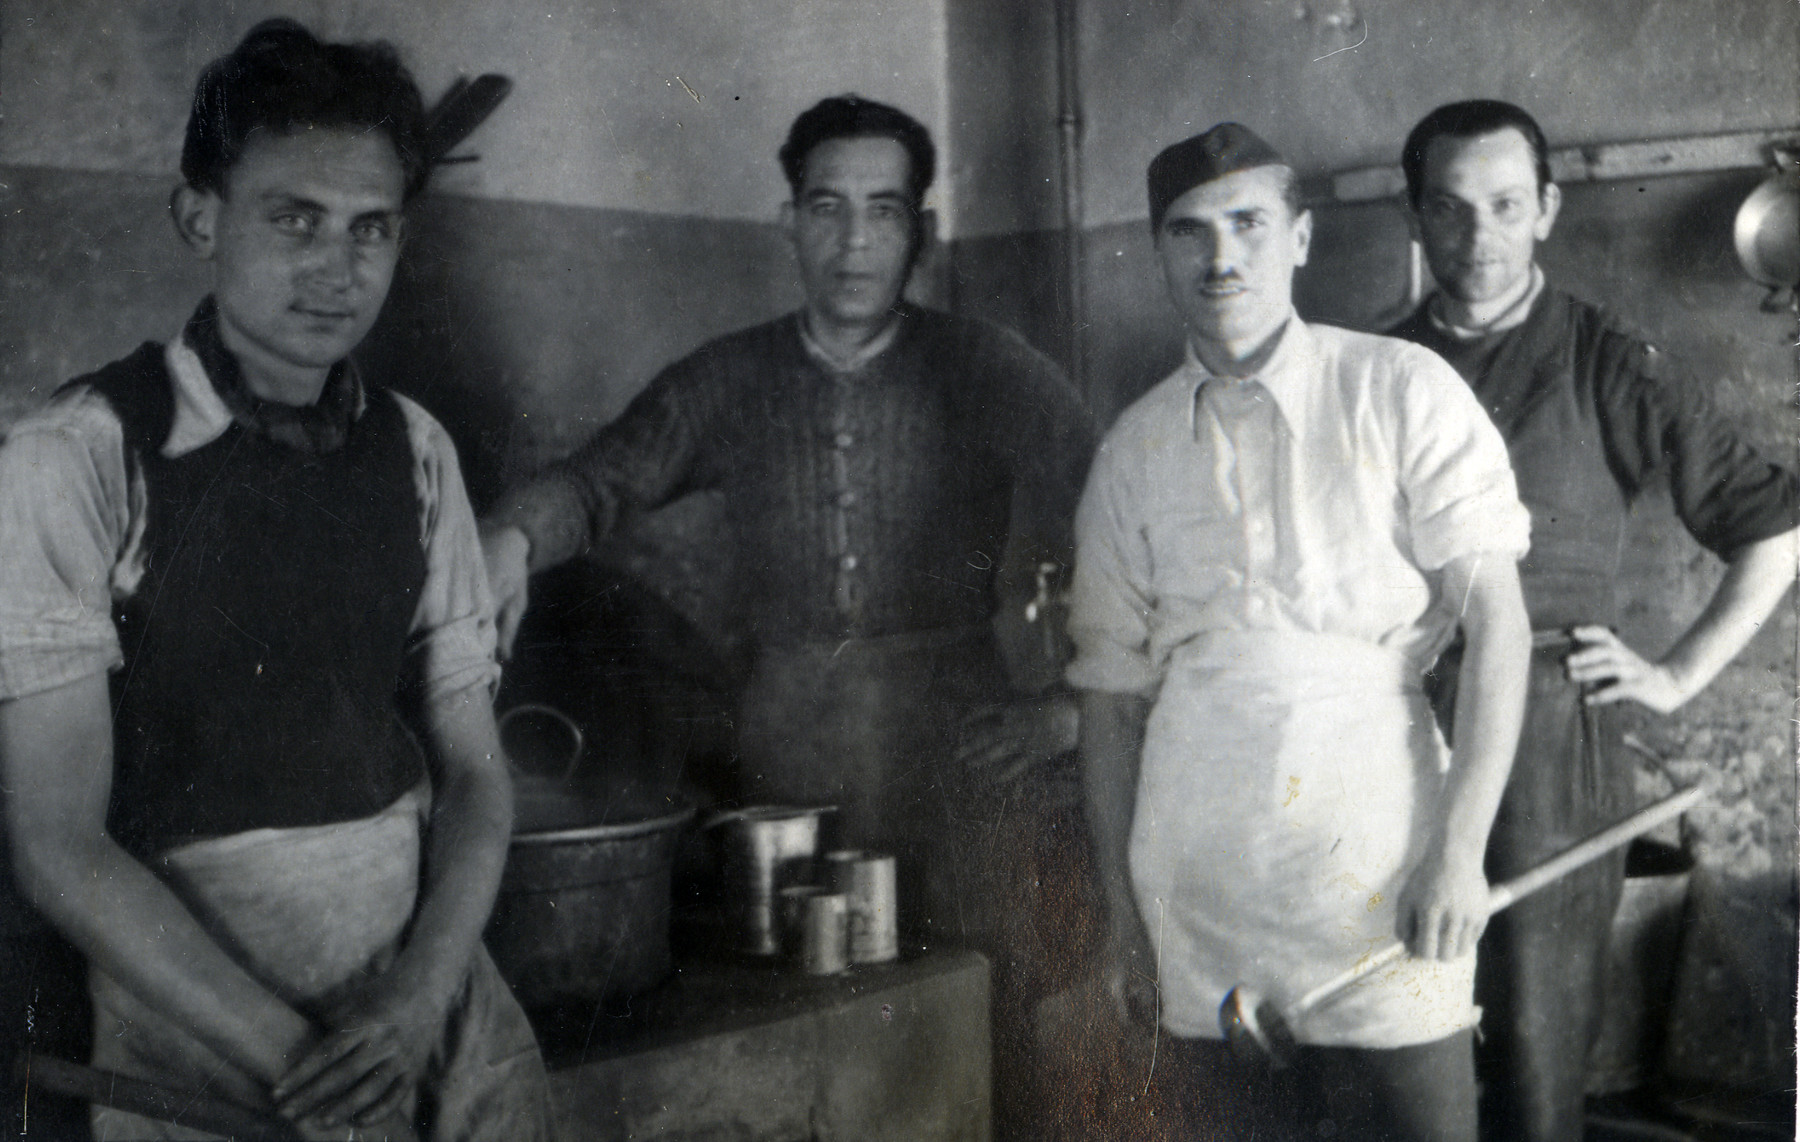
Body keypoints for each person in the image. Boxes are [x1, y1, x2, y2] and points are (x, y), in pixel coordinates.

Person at [480, 95, 1096, 1137]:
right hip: (787, 762)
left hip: (962, 755)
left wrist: (1072, 707)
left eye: (884, 210)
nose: (854, 241)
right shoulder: (727, 377)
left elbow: (1119, 505)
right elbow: (597, 485)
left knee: (975, 1019)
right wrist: (503, 540)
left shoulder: (991, 367)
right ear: (789, 223)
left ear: (924, 232)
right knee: (801, 1037)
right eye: (826, 207)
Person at [0, 21, 551, 1140]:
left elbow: (477, 779)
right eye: (293, 218)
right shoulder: (80, 453)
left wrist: (416, 1006)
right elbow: (57, 843)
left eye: (371, 228)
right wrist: (309, 1068)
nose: (336, 269)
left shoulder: (418, 450)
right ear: (198, 215)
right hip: (203, 1028)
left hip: (426, 1002)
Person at [1069, 122, 1534, 1141]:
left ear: (1302, 237)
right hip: (1198, 890)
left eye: (1248, 223)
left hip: (1379, 870)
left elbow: (1501, 627)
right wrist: (1119, 920)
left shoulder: (1400, 388)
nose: (1221, 256)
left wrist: (1457, 852)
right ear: (1160, 252)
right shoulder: (1133, 451)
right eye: (1190, 232)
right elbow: (1108, 703)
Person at [1387, 99, 1800, 1142]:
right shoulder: (1375, 367)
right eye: (1449, 209)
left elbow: (1776, 525)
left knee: (1534, 1062)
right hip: (1389, 733)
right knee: (1392, 1041)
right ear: (1416, 218)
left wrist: (1674, 676)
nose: (1477, 238)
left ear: (1547, 211)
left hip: (1544, 744)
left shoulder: (1607, 357)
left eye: (1504, 205)